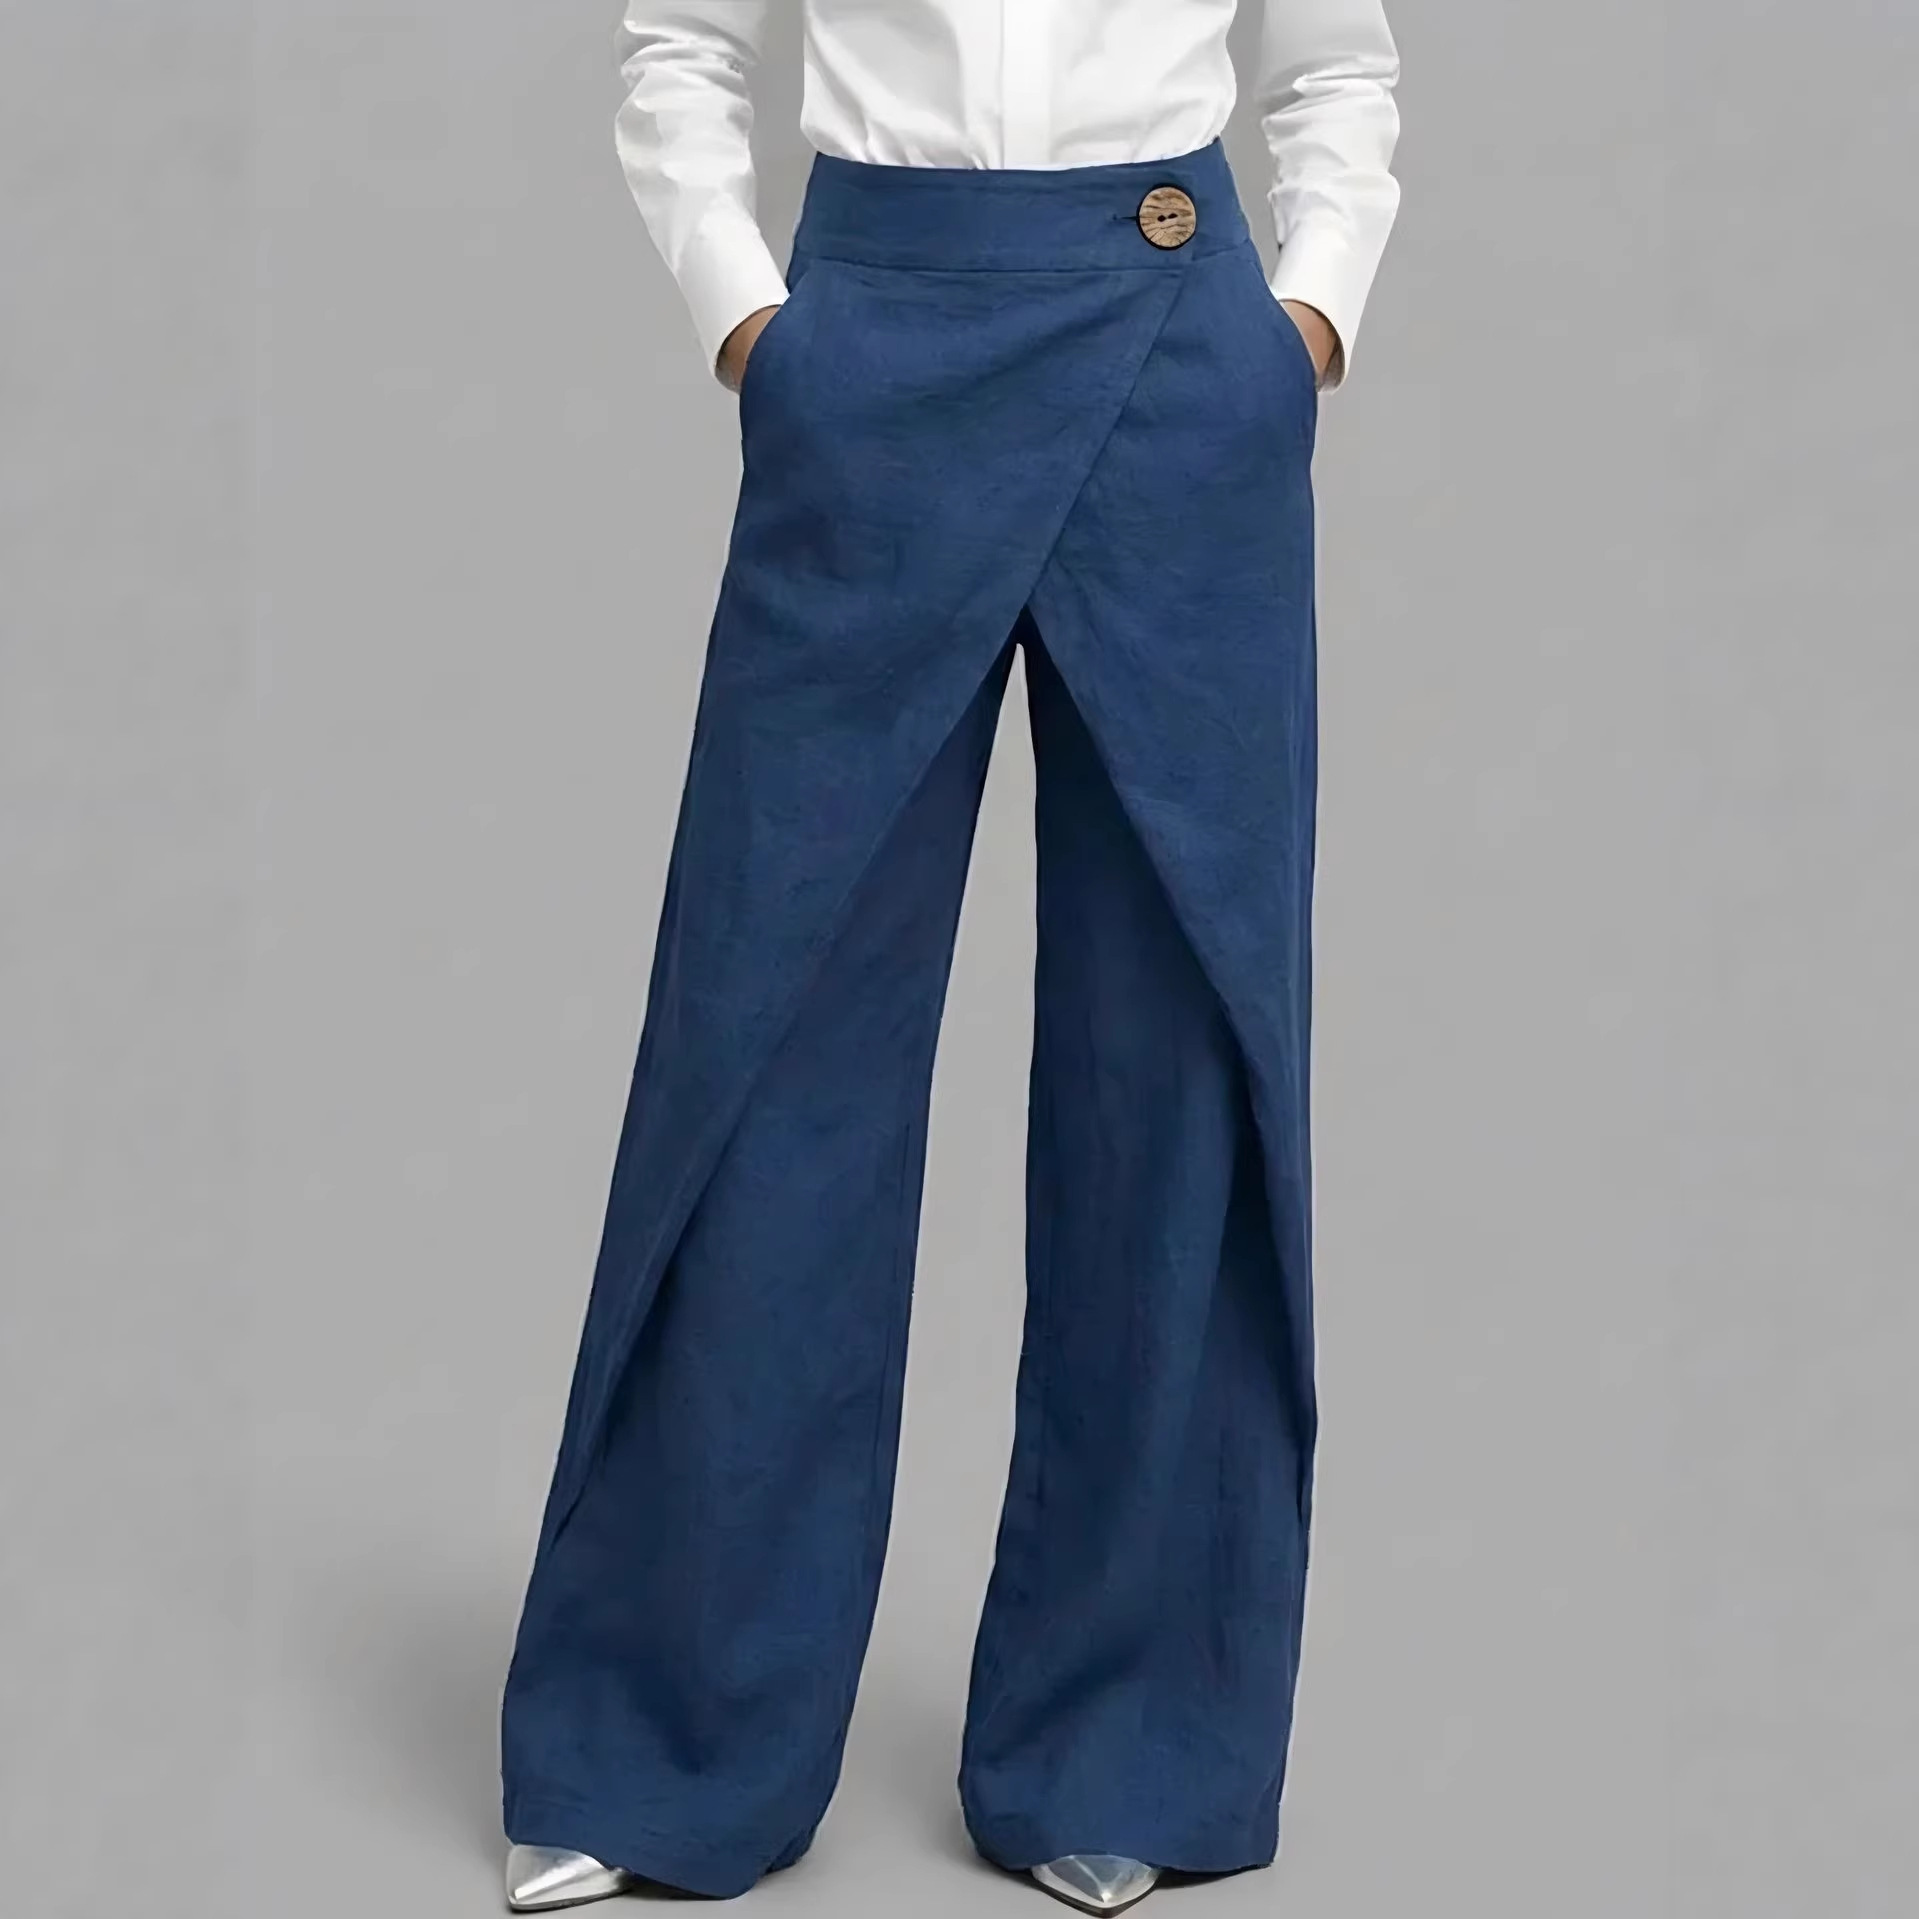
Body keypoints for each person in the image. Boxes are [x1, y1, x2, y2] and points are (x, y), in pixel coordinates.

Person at [499, 3, 1400, 1912]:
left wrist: (1307, 319)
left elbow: (1337, 66)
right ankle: (663, 1741)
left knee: (1178, 1050)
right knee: (765, 1030)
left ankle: (1127, 1746)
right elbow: (677, 42)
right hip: (873, 344)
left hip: (1179, 350)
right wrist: (750, 321)